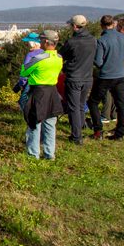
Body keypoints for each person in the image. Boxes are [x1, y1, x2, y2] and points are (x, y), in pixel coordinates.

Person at [87, 15, 124, 140]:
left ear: (101, 25)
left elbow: (98, 62)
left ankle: (98, 130)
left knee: (93, 102)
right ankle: (121, 131)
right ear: (113, 24)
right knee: (121, 104)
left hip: (105, 76)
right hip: (120, 75)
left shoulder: (102, 40)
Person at [20, 30, 64, 160]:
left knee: (34, 123)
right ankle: (50, 153)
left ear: (45, 42)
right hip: (52, 92)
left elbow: (24, 71)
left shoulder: (39, 58)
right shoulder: (59, 58)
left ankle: (33, 154)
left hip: (38, 92)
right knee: (50, 124)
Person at [58, 14, 96, 144]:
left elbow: (61, 55)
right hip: (88, 77)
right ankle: (80, 128)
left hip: (74, 77)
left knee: (73, 107)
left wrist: (67, 66)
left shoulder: (72, 42)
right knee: (80, 105)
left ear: (74, 26)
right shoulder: (93, 40)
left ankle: (76, 137)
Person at [14, 32, 44, 112]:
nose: (27, 44)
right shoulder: (44, 53)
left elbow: (25, 71)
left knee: (23, 101)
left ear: (32, 44)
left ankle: (29, 121)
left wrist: (21, 83)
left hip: (30, 82)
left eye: (28, 42)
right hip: (43, 82)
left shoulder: (30, 55)